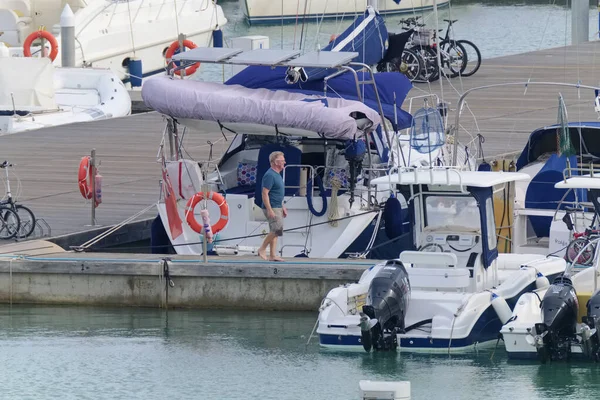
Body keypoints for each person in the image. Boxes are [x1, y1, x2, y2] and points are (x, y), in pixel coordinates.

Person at [258, 151, 287, 261]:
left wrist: (282, 206)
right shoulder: (269, 175)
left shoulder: (277, 174)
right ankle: (262, 248)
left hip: (277, 206)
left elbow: (277, 193)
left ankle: (272, 255)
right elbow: (265, 193)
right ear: (275, 162)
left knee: (274, 231)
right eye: (282, 160)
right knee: (277, 230)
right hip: (272, 207)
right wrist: (270, 210)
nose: (284, 162)